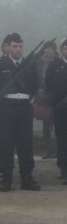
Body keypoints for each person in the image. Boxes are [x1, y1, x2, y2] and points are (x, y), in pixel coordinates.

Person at [0, 33, 40, 191]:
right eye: (15, 46)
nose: (18, 49)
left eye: (20, 46)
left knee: (25, 143)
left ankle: (27, 177)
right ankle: (6, 177)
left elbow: (35, 85)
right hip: (6, 106)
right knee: (5, 143)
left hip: (23, 106)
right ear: (8, 47)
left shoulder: (29, 63)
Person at [45, 39, 67, 184]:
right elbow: (48, 84)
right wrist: (54, 102)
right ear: (61, 50)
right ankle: (64, 169)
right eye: (65, 48)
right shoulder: (55, 65)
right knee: (62, 139)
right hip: (60, 107)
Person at [35, 41, 57, 159]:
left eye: (50, 49)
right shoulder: (40, 63)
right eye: (46, 49)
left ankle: (59, 150)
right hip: (43, 99)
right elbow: (37, 79)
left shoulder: (58, 63)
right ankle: (48, 150)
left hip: (56, 99)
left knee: (58, 125)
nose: (47, 51)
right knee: (46, 126)